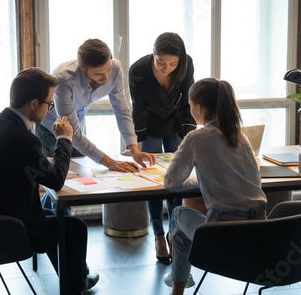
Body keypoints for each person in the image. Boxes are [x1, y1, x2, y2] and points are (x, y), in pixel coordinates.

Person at [0, 67, 99, 295]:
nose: (50, 109)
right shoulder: (25, 139)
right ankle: (75, 288)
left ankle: (76, 278)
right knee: (75, 228)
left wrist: (40, 162)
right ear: (33, 104)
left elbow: (9, 162)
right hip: (4, 226)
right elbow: (56, 180)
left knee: (53, 207)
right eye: (49, 104)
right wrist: (64, 139)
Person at [162, 78, 267, 295]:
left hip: (222, 237)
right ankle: (177, 286)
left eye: (190, 106)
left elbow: (171, 183)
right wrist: (205, 179)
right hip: (259, 235)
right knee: (181, 232)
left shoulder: (196, 137)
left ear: (198, 107)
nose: (190, 110)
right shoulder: (241, 136)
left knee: (178, 216)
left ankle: (177, 287)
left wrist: (198, 179)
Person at [36, 39, 156, 210]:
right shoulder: (63, 79)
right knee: (57, 179)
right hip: (52, 126)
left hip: (77, 124)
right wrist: (109, 162)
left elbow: (122, 110)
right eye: (99, 74)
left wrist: (134, 148)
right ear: (83, 69)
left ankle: (57, 219)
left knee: (77, 174)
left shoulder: (115, 69)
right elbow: (72, 133)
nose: (106, 77)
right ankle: (57, 224)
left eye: (107, 70)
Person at [128, 32, 197, 264]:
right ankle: (158, 233)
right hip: (149, 125)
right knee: (153, 180)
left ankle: (174, 230)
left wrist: (190, 141)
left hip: (175, 122)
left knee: (176, 178)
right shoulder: (138, 70)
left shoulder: (186, 67)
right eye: (160, 62)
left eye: (173, 64)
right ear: (153, 54)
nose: (166, 68)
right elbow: (139, 110)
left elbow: (189, 104)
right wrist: (136, 146)